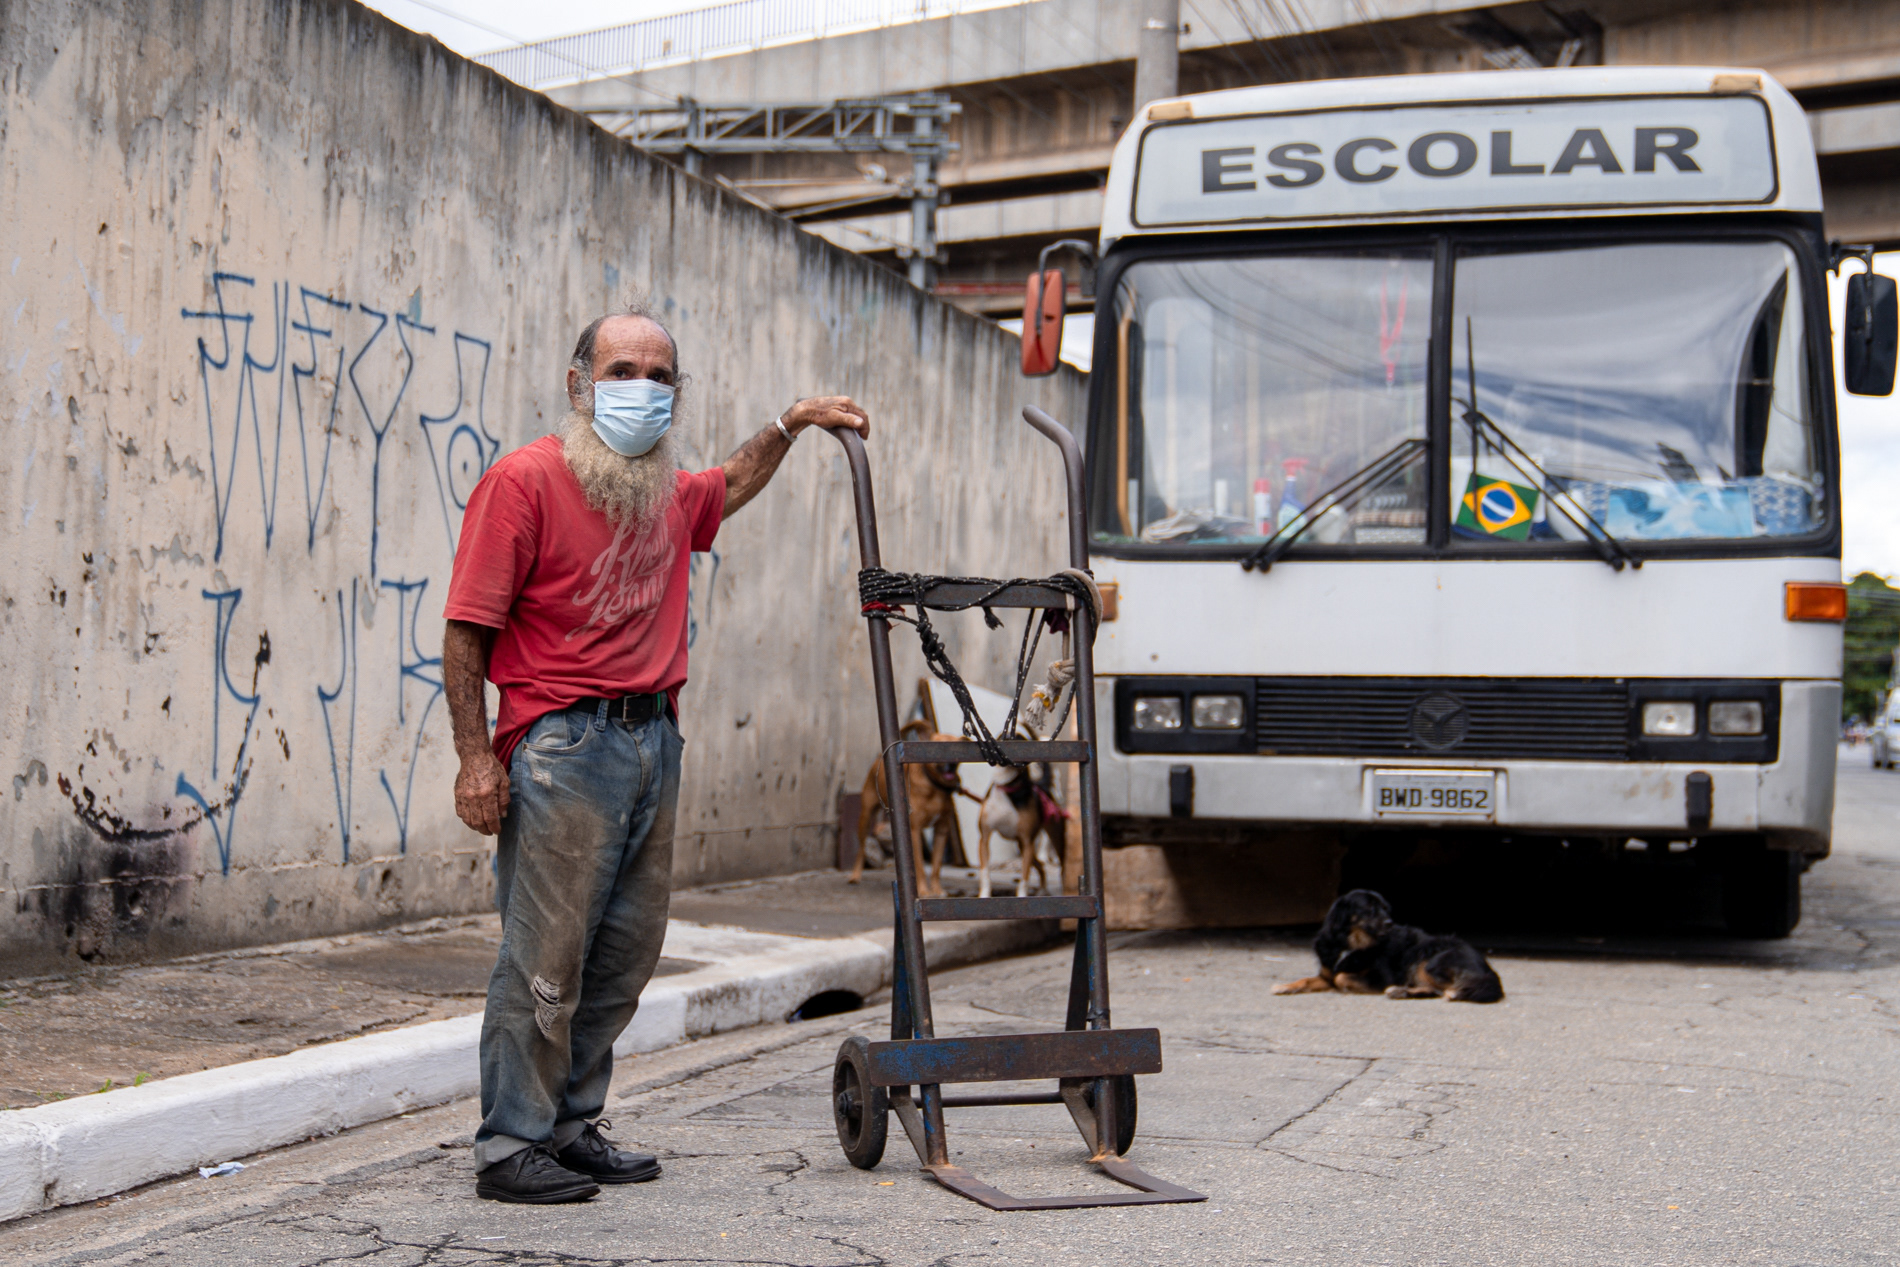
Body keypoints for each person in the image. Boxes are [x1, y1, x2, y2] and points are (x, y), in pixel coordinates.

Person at [442, 306, 869, 1204]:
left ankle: (569, 1123)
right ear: (578, 385)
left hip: (652, 739)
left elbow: (733, 482)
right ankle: (509, 1142)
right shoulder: (524, 481)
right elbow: (467, 629)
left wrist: (790, 424)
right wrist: (475, 759)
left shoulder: (666, 493)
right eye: (621, 370)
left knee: (626, 950)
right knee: (545, 952)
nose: (641, 388)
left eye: (659, 374)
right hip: (561, 744)